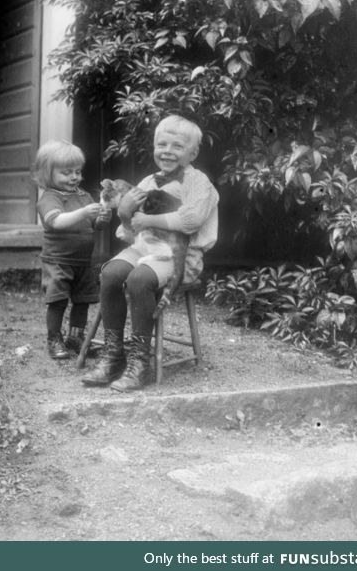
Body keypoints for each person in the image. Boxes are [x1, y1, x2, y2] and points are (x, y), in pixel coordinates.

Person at [82, 114, 219, 391]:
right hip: (146, 247)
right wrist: (123, 214)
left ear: (193, 152)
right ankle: (114, 354)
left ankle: (139, 360)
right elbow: (132, 234)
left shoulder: (198, 183)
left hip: (182, 256)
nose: (168, 151)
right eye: (162, 144)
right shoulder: (147, 182)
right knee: (110, 273)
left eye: (177, 146)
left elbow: (190, 220)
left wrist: (148, 220)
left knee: (139, 279)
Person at [34, 140, 105, 360]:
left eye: (77, 171)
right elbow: (57, 222)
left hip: (83, 260)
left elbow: (91, 225)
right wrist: (85, 212)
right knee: (58, 300)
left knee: (82, 299)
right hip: (58, 260)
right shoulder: (49, 198)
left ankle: (76, 337)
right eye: (66, 173)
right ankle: (54, 339)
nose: (74, 177)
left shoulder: (83, 195)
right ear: (48, 173)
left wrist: (101, 219)